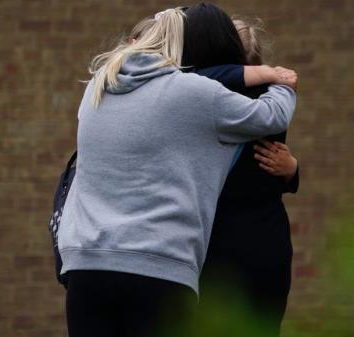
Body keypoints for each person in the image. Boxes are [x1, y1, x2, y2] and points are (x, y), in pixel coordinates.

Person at [58, 7, 298, 337]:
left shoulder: (98, 87)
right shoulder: (190, 93)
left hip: (85, 263)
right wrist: (281, 81)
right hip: (158, 264)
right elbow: (272, 116)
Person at [181, 4, 299, 337]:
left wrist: (291, 169)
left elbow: (186, 78)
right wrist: (293, 170)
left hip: (216, 242)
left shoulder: (200, 95)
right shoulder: (275, 94)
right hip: (266, 238)